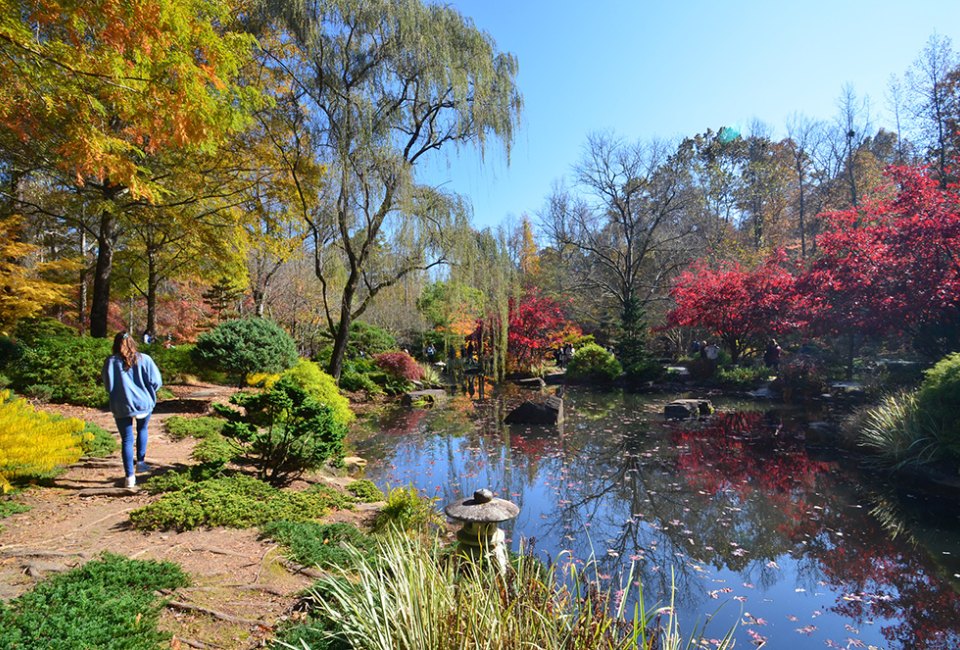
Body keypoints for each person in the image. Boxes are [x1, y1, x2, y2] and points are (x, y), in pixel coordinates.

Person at [102, 332, 163, 488]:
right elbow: (157, 381)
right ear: (132, 342)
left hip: (121, 404)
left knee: (127, 439)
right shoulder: (145, 359)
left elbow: (108, 386)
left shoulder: (111, 362)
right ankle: (141, 463)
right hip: (143, 403)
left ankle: (129, 477)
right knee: (142, 429)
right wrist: (148, 391)